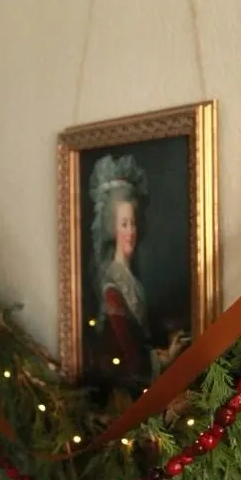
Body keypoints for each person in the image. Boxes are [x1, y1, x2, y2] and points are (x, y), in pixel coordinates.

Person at [88, 153, 187, 394]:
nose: (131, 231)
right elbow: (130, 357)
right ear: (112, 227)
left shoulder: (132, 280)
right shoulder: (112, 284)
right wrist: (165, 358)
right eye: (124, 224)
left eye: (133, 223)